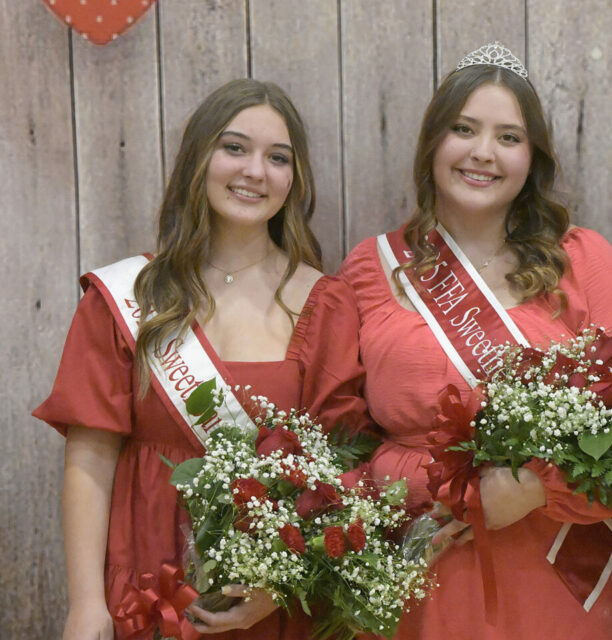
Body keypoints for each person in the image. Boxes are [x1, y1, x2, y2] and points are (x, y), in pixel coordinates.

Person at [35, 78, 368, 640]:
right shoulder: (126, 300)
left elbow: (340, 465)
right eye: (234, 147)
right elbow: (91, 456)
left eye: (278, 157)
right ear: (199, 158)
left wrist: (278, 585)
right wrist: (86, 603)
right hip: (146, 585)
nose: (255, 171)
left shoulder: (325, 302)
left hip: (272, 598)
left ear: (295, 177)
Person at [337, 42, 612, 640]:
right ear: (433, 144)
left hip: (562, 570)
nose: (483, 153)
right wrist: (426, 485)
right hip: (425, 565)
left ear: (533, 157)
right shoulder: (372, 267)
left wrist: (532, 490)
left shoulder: (584, 259)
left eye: (508, 137)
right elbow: (345, 437)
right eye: (463, 129)